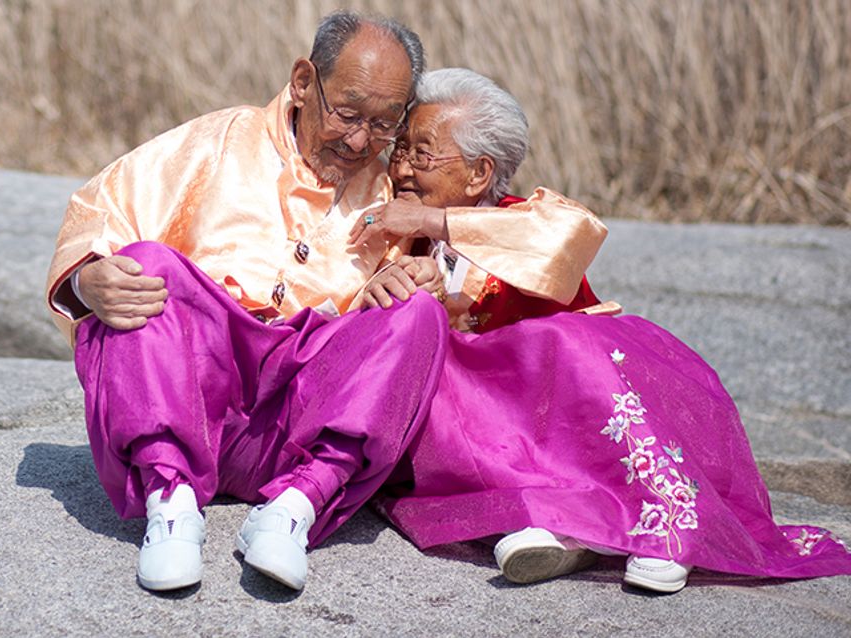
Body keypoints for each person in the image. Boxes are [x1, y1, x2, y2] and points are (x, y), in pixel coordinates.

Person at [354, 68, 851, 593]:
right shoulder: (394, 237)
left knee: (561, 341)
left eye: (422, 154)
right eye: (400, 150)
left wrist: (433, 224)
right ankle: (564, 528)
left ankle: (665, 526)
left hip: (566, 407)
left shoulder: (522, 219)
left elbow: (571, 236)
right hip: (486, 429)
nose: (402, 168)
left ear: (479, 174)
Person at [43, 11, 466, 593]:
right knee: (147, 264)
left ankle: (295, 508)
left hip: (297, 435)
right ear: (302, 82)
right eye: (346, 113)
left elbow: (403, 322)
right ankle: (170, 498)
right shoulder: (217, 141)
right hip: (191, 400)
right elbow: (98, 215)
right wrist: (87, 281)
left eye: (383, 124)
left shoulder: (392, 192)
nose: (360, 140)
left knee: (419, 314)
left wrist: (406, 285)